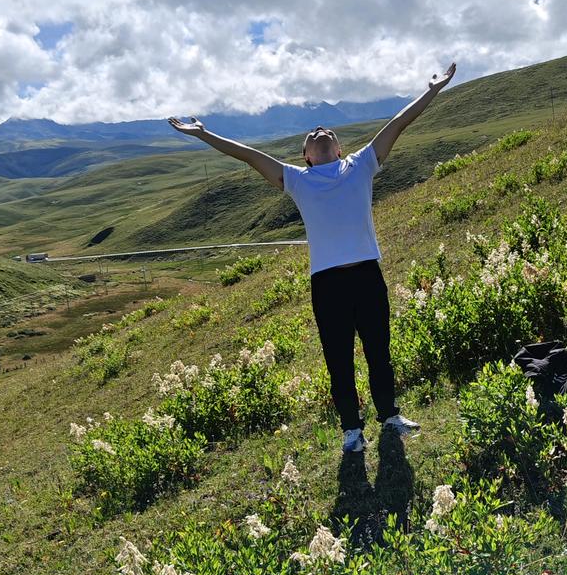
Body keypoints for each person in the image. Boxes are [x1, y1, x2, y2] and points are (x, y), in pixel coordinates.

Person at [168, 62, 457, 453]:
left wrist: (433, 90)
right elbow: (249, 156)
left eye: (328, 133)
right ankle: (351, 430)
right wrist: (203, 134)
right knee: (338, 358)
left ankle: (389, 416)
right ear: (306, 155)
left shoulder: (361, 164)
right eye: (312, 134)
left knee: (379, 351)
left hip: (367, 275)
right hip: (328, 284)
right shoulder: (297, 181)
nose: (320, 131)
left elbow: (399, 123)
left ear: (338, 149)